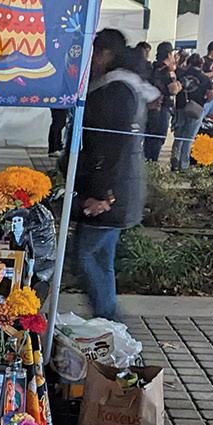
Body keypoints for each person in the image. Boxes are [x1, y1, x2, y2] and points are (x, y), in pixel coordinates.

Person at [72, 29, 157, 321]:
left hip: (110, 192)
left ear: (105, 54)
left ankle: (109, 319)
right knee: (100, 259)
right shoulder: (127, 87)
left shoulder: (114, 91)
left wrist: (102, 195)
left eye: (94, 53)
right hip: (120, 189)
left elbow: (110, 147)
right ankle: (108, 321)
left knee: (85, 257)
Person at [171, 53, 212, 170]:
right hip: (196, 109)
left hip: (181, 107)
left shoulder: (181, 74)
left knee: (179, 137)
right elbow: (211, 95)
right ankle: (184, 165)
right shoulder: (205, 78)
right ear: (201, 64)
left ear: (189, 63)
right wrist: (203, 101)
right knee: (189, 138)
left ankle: (174, 162)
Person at [144, 43, 179, 163]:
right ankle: (151, 165)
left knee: (149, 140)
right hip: (162, 108)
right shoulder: (166, 70)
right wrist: (177, 82)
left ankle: (148, 163)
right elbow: (173, 90)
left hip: (150, 108)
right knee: (157, 140)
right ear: (169, 55)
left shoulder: (153, 67)